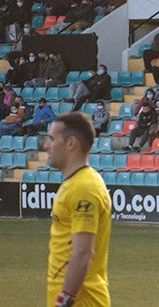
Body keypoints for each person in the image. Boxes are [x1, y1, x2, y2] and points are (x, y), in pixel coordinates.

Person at [45, 111, 111, 307]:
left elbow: (83, 253)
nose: (46, 146)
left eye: (51, 139)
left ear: (71, 143)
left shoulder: (84, 187)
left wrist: (64, 300)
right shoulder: (75, 183)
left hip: (81, 301)